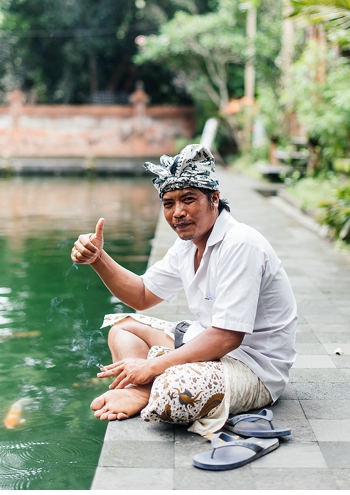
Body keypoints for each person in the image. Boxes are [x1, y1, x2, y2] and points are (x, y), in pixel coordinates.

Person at [72, 144, 297, 436]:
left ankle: (143, 389)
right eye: (169, 203)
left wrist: (153, 368)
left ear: (214, 199)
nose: (178, 213)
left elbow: (228, 336)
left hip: (252, 368)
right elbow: (141, 295)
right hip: (206, 341)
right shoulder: (186, 246)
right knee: (122, 327)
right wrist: (98, 259)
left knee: (175, 393)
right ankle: (141, 389)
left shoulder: (241, 243)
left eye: (188, 200)